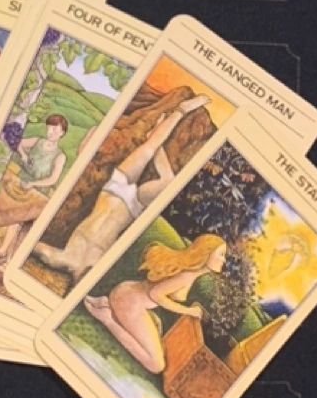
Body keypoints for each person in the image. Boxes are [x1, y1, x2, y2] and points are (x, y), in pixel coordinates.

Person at [28, 93, 211, 285]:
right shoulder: (99, 268)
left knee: (149, 147)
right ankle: (167, 127)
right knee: (168, 180)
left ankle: (181, 110)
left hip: (113, 190)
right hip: (132, 207)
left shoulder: (61, 258)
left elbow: (35, 247)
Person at [85, 233, 228, 374]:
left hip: (124, 291)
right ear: (206, 253)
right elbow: (155, 294)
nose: (224, 260)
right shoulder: (186, 276)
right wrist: (189, 311)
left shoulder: (188, 271)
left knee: (157, 327)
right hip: (129, 305)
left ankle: (106, 303)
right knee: (157, 365)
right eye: (221, 254)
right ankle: (107, 317)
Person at [0, 113, 68, 265]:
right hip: (20, 185)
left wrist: (34, 184)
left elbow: (53, 179)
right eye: (49, 128)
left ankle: (3, 252)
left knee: (17, 220)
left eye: (55, 129)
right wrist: (23, 155)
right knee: (5, 209)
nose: (51, 132)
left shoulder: (60, 156)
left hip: (36, 192)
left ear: (62, 133)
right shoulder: (37, 141)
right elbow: (18, 143)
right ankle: (0, 248)